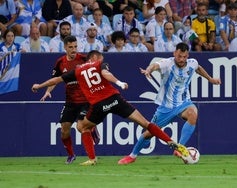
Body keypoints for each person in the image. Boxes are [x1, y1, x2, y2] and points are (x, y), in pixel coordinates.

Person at [31, 50, 191, 166]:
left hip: (99, 105)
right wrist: (119, 83)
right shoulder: (100, 63)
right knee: (146, 124)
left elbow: (57, 79)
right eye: (100, 57)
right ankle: (173, 144)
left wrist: (39, 85)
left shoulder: (77, 71)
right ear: (94, 58)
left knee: (82, 127)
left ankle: (92, 159)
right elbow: (106, 74)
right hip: (115, 99)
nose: (102, 58)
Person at [118, 42, 221, 165]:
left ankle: (179, 148)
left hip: (184, 102)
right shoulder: (168, 63)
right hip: (166, 106)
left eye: (184, 57)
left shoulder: (192, 63)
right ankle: (132, 156)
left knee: (193, 114)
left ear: (187, 55)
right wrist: (149, 70)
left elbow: (198, 68)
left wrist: (210, 79)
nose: (181, 59)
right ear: (174, 54)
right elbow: (155, 65)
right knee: (149, 133)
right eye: (179, 56)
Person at [37, 36, 100, 164]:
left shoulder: (83, 59)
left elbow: (97, 68)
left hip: (85, 100)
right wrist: (48, 92)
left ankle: (92, 157)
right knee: (64, 131)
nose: (73, 49)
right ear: (65, 47)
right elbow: (55, 80)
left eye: (75, 47)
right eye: (70, 47)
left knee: (81, 127)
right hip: (70, 102)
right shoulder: (60, 62)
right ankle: (71, 155)